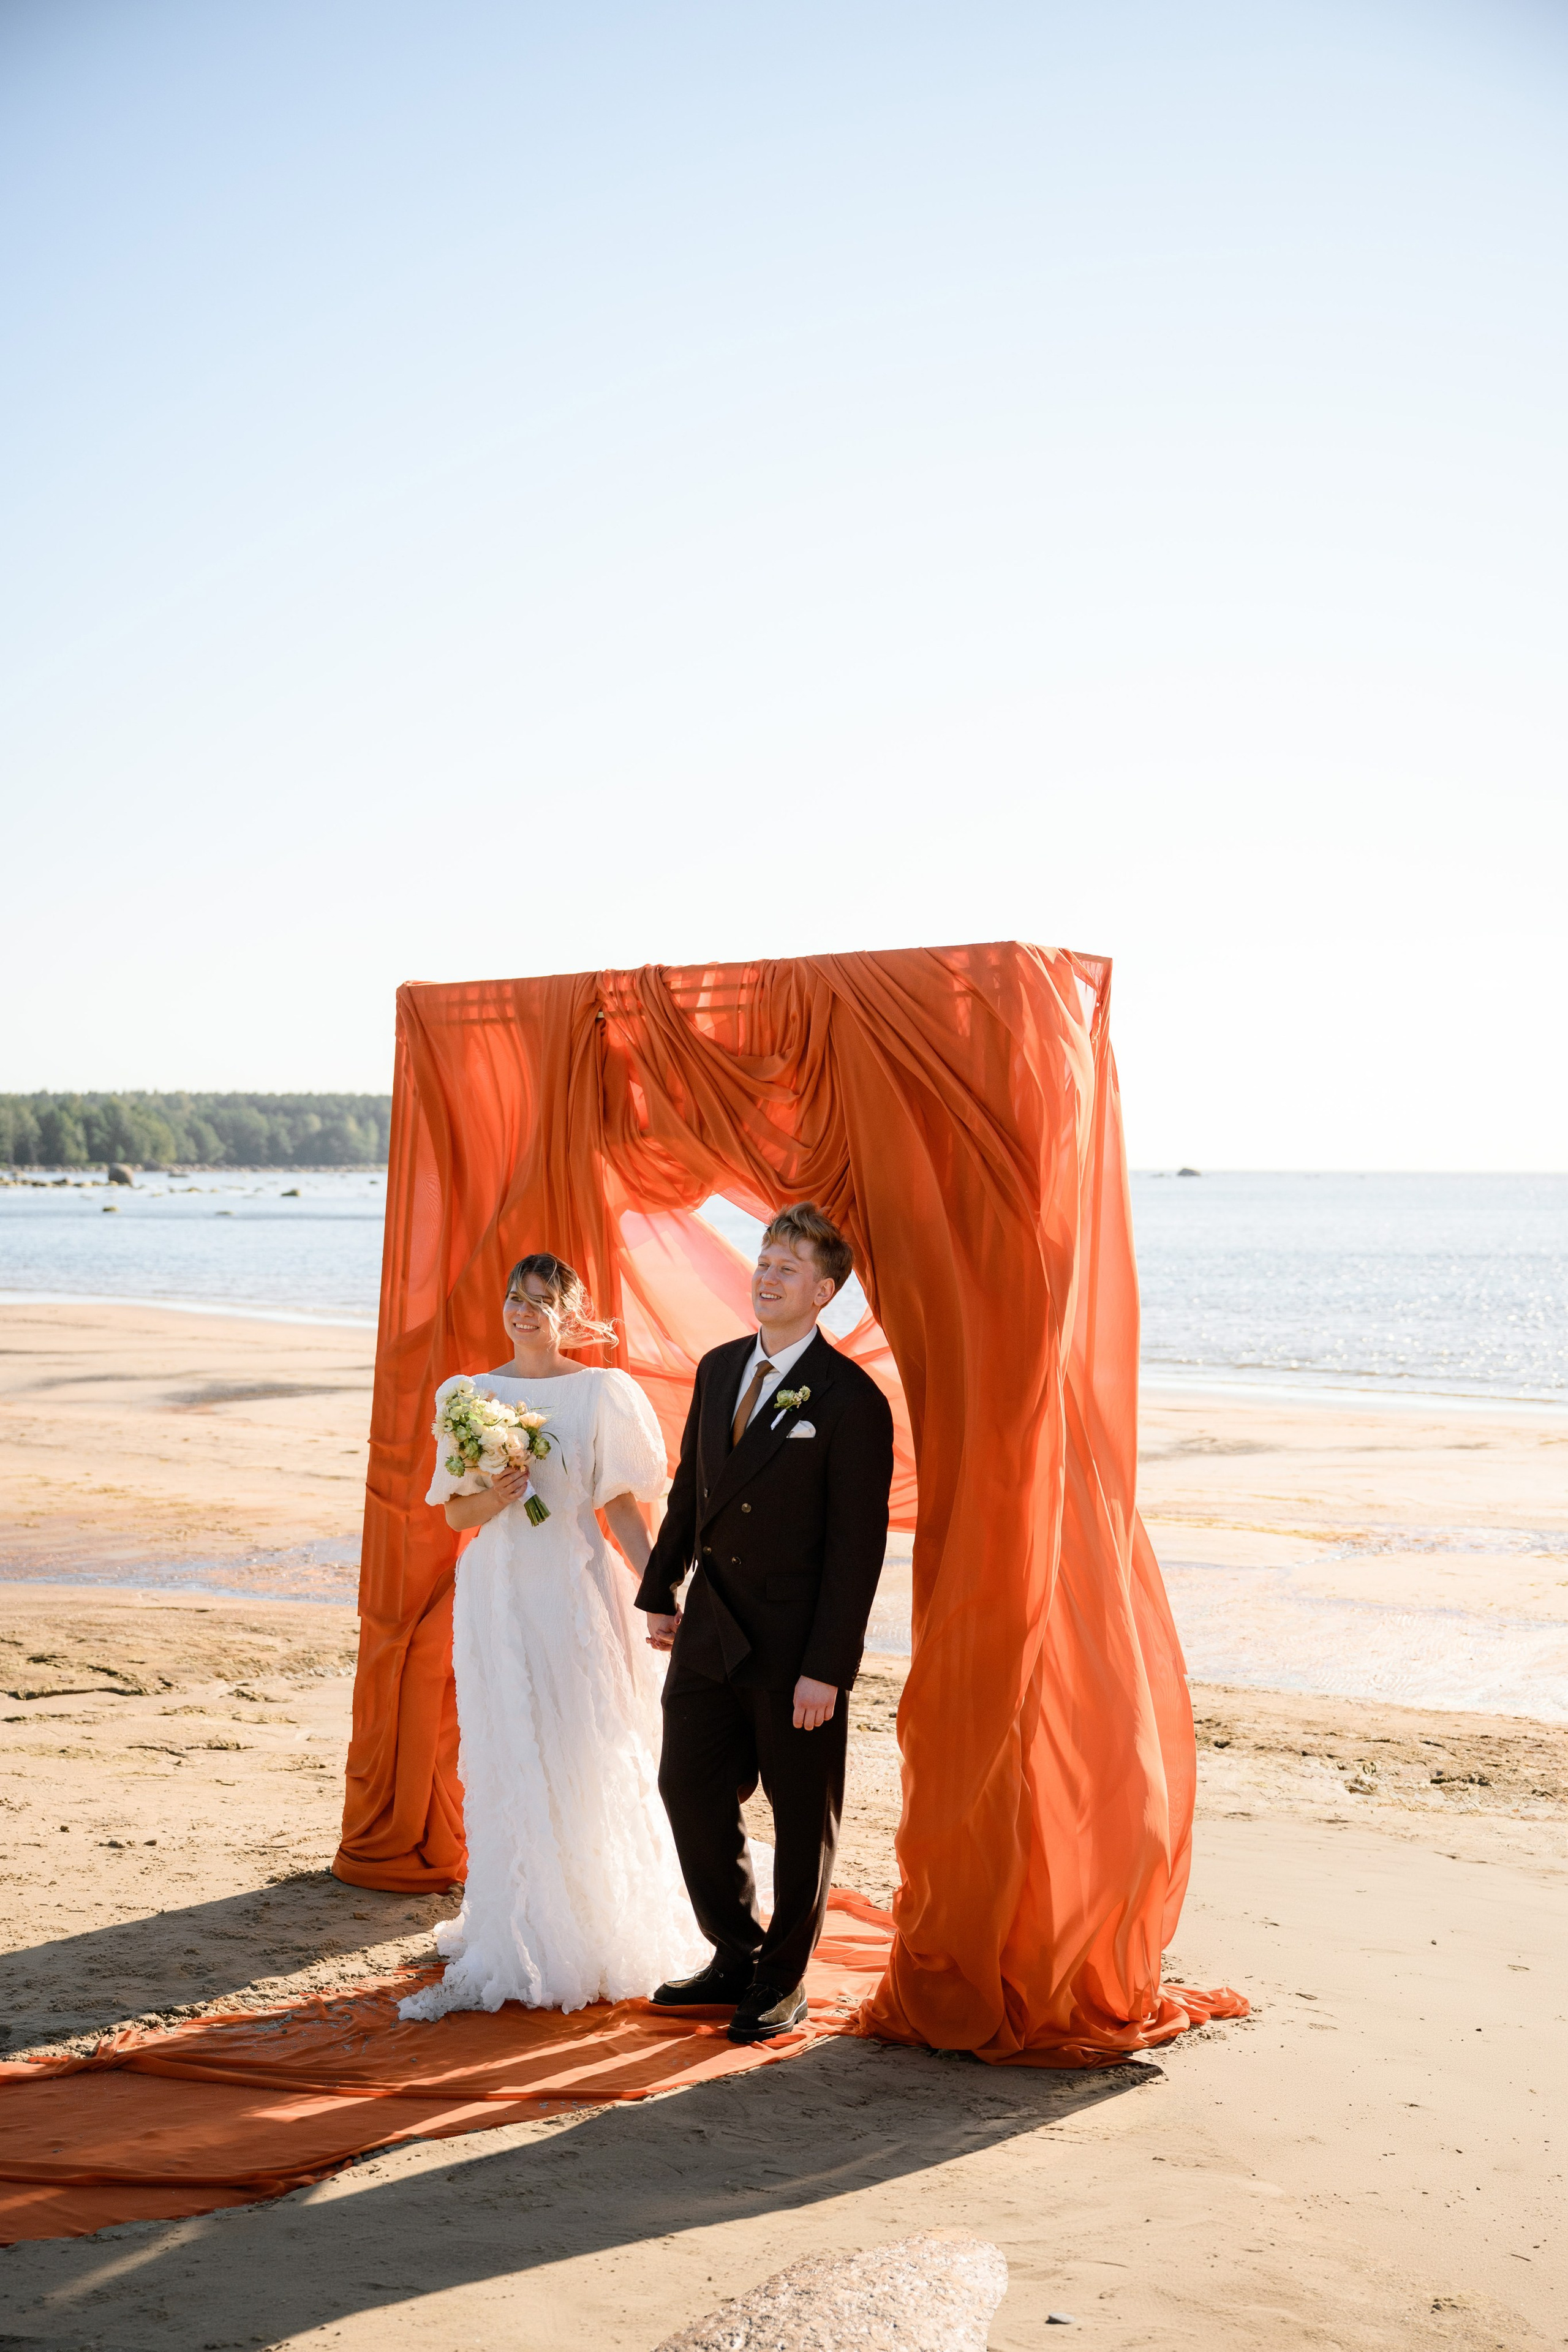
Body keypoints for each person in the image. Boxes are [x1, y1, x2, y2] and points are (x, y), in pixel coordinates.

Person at [399, 1253, 709, 2019]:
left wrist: (658, 1590)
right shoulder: (470, 1396)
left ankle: (596, 1921)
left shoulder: (601, 1392)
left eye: (541, 1300)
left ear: (571, 1313)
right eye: (514, 1298)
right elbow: (456, 1516)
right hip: (498, 1594)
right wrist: (497, 1495)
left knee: (585, 1743)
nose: (524, 1311)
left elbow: (626, 1511)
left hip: (572, 1585)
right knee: (512, 1746)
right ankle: (521, 1920)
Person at [636, 1202, 895, 2044]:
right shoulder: (717, 1370)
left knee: (798, 1819)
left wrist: (830, 1667)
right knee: (686, 1786)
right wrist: (659, 1588)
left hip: (796, 1650)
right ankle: (736, 1954)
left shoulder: (853, 1400)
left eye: (788, 1267)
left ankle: (782, 1985)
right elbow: (690, 1494)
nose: (767, 1275)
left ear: (824, 1291)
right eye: (764, 1259)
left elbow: (856, 1551)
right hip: (711, 1630)